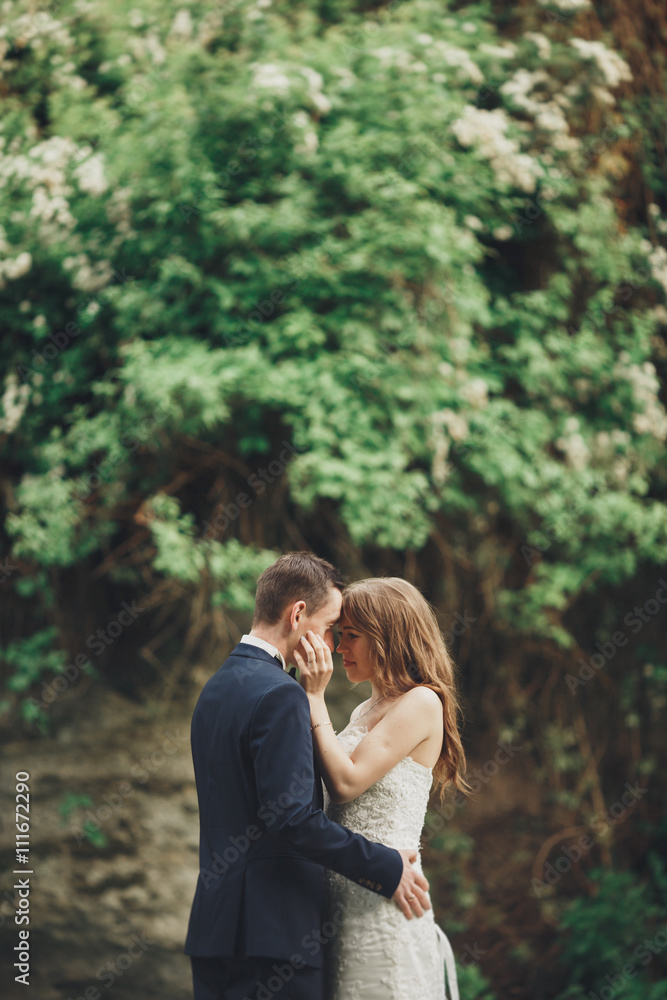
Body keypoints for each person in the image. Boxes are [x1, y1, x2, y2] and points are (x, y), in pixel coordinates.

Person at [184, 552, 431, 1000]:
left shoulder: (217, 687)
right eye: (332, 626)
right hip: (272, 934)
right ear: (298, 614)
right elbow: (292, 819)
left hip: (215, 929)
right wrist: (385, 865)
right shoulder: (281, 694)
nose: (333, 642)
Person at [294, 576, 471, 1000]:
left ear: (389, 638)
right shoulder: (364, 708)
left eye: (351, 636)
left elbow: (345, 783)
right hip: (344, 902)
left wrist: (314, 697)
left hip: (384, 905)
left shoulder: (423, 702)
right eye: (339, 635)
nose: (339, 648)